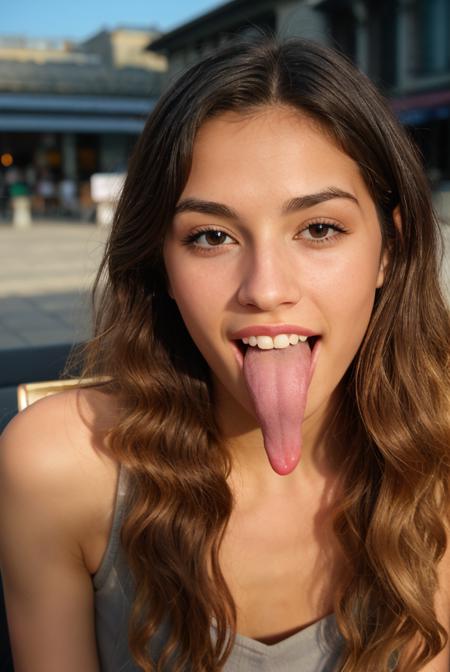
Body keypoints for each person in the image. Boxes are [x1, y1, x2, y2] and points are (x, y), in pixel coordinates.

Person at [0, 36, 449, 672]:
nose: (266, 289)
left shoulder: (437, 452)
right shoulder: (62, 467)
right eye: (212, 236)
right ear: (160, 260)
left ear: (388, 250)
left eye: (319, 229)